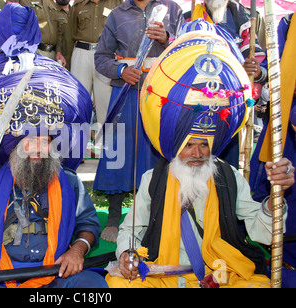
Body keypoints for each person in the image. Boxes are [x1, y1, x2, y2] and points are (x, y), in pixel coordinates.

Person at [104, 30, 295, 288]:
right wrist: (128, 254)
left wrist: (275, 198)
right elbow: (130, 230)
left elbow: (263, 233)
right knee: (119, 284)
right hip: (165, 274)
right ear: (174, 146)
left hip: (219, 275)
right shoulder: (154, 179)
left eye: (204, 145)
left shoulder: (228, 177)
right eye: (189, 145)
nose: (197, 154)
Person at [0, 3, 106, 288]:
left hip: (55, 276)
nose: (37, 149)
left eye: (44, 142)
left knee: (92, 286)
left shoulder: (68, 180)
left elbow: (89, 225)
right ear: (15, 146)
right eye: (29, 141)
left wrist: (77, 250)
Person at [93, 0, 184, 243]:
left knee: (158, 151)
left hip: (162, 93)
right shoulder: (116, 14)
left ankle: (156, 216)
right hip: (126, 91)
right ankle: (114, 217)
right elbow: (101, 57)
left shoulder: (173, 10)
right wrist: (122, 70)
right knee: (118, 152)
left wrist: (167, 38)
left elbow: (186, 49)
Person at [191, 0, 268, 168]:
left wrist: (254, 70)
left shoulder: (244, 19)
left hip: (230, 105)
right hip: (194, 103)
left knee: (226, 166)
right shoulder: (188, 18)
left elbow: (261, 68)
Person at [250, 13, 296, 288]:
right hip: (288, 125)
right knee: (280, 188)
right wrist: (260, 73)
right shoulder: (289, 24)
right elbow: (275, 70)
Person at [69, 0, 122, 125]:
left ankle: (105, 141)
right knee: (78, 99)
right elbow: (69, 34)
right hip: (81, 53)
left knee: (105, 100)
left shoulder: (116, 3)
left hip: (106, 55)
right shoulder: (78, 4)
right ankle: (77, 140)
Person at [19, 0, 66, 65]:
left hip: (52, 54)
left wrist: (58, 51)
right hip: (35, 53)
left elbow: (58, 29)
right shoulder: (24, 2)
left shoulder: (51, 2)